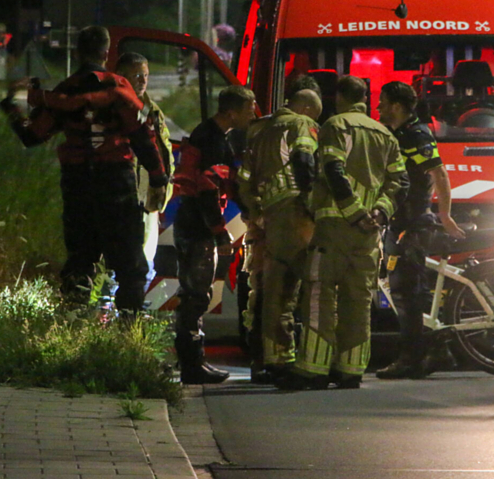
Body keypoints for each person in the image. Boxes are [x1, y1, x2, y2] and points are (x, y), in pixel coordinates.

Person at [0, 26, 168, 312]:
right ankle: (128, 335)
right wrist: (158, 176)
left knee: (80, 261)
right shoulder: (119, 88)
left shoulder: (64, 91)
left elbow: (32, 136)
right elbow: (142, 135)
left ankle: (73, 326)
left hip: (77, 183)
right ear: (106, 53)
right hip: (116, 182)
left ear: (77, 53)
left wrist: (11, 107)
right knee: (130, 265)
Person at [279, 75, 407, 390]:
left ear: (339, 98)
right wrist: (379, 212)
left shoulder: (336, 126)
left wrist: (353, 211)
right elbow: (400, 182)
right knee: (359, 300)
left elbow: (333, 170)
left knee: (321, 295)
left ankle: (314, 368)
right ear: (366, 97)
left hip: (335, 227)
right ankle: (350, 370)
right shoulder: (385, 134)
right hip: (369, 235)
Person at [375, 81, 465, 380]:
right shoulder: (399, 132)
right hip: (401, 220)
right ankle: (439, 349)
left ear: (398, 107)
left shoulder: (415, 134)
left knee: (405, 294)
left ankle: (411, 359)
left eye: (383, 103)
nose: (378, 108)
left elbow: (438, 172)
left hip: (412, 222)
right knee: (416, 292)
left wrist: (445, 215)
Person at [171, 85, 256, 384]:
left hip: (193, 223)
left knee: (195, 294)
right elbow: (208, 190)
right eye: (249, 108)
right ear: (232, 112)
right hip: (197, 228)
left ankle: (194, 361)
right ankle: (193, 365)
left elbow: (227, 182)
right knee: (197, 295)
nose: (253, 113)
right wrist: (220, 232)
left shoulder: (213, 136)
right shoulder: (213, 141)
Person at [237, 89, 322, 383]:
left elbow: (244, 180)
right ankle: (314, 361)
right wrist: (313, 207)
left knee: (273, 291)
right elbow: (305, 161)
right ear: (307, 108)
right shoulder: (300, 124)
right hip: (297, 216)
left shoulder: (259, 131)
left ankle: (273, 360)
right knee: (312, 288)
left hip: (267, 220)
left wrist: (257, 211)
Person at [115, 52, 173, 288]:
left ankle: (133, 314)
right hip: (123, 196)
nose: (142, 81)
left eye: (146, 75)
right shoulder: (114, 108)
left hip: (148, 198)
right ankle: (107, 317)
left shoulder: (153, 110)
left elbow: (163, 149)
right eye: (137, 75)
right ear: (122, 77)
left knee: (146, 262)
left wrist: (163, 187)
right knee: (117, 261)